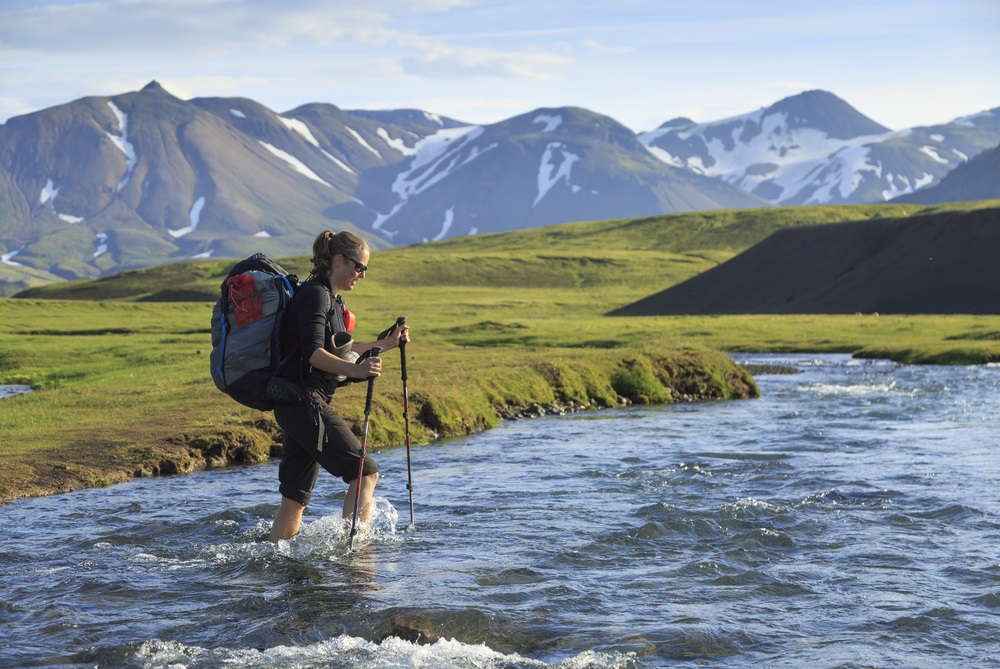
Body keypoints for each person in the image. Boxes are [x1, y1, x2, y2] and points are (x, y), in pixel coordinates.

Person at [269, 230, 409, 542]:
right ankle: (357, 559)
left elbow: (339, 352)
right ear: (338, 260)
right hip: (304, 402)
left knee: (295, 499)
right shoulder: (316, 296)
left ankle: (279, 561)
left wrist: (386, 343)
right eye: (360, 267)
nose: (362, 275)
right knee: (365, 472)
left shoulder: (329, 298)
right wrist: (356, 372)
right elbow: (313, 354)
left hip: (296, 403)